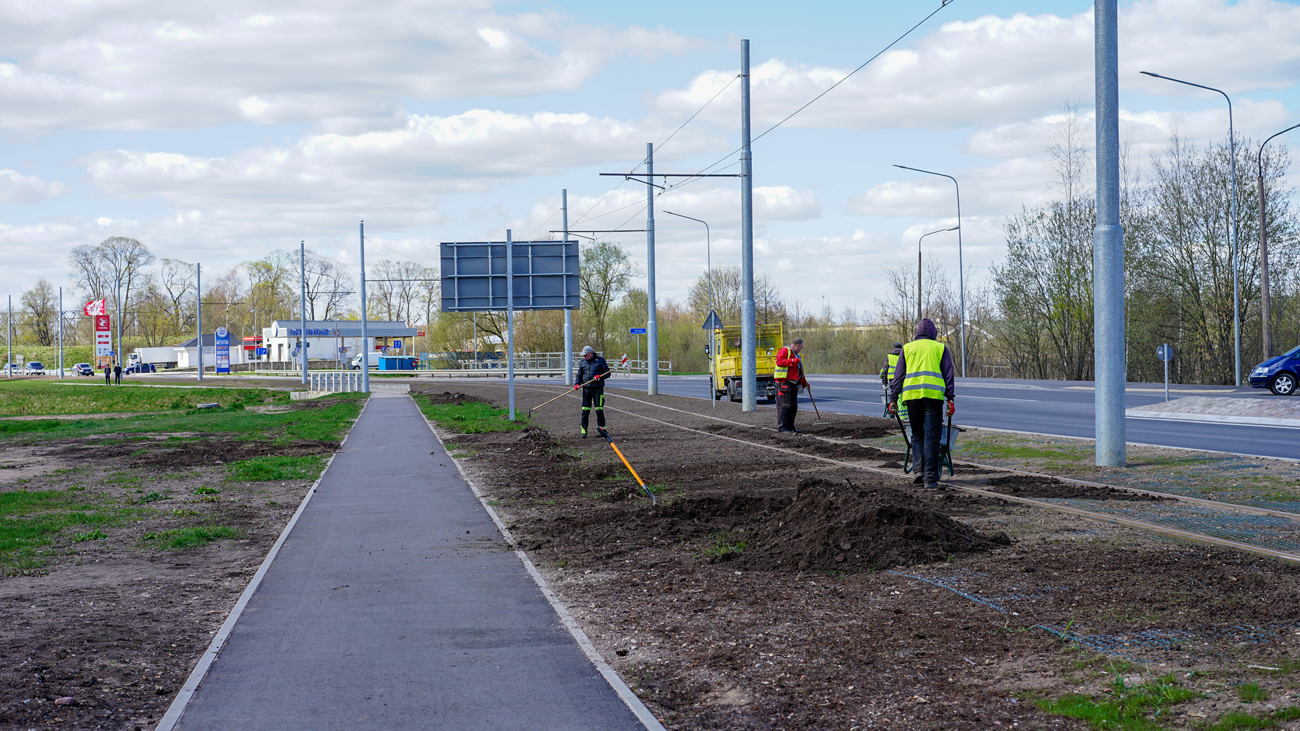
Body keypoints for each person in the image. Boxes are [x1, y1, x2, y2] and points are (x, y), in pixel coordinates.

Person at [888, 319, 956, 489]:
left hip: (912, 398)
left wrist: (893, 399)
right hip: (933, 398)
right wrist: (950, 398)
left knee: (917, 434)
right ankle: (930, 479)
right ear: (934, 333)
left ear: (917, 332)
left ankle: (918, 471)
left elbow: (899, 376)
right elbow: (948, 375)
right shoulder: (940, 348)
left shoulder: (908, 348)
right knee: (932, 437)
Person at [773, 338, 809, 433]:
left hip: (793, 384)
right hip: (783, 383)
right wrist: (792, 361)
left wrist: (804, 383)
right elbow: (779, 362)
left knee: (793, 407)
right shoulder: (785, 350)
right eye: (800, 347)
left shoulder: (797, 356)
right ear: (797, 345)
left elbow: (799, 372)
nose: (801, 349)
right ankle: (782, 428)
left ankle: (790, 427)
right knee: (785, 406)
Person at [574, 345, 610, 437]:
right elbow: (579, 374)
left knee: (599, 409)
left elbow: (607, 373)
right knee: (585, 410)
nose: (584, 357)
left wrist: (600, 376)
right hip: (586, 389)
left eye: (585, 355)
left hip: (598, 388)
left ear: (590, 353)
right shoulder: (583, 362)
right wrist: (577, 384)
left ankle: (602, 430)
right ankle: (584, 431)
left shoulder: (600, 360)